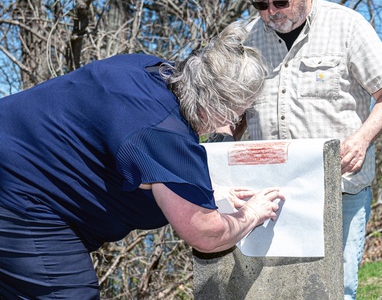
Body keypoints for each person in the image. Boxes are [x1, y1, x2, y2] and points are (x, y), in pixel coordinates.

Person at [0, 22, 284, 299]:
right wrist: (252, 214)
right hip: (18, 196)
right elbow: (206, 235)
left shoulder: (149, 69)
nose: (235, 121)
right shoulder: (164, 136)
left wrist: (207, 193)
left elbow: (126, 147)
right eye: (239, 111)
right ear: (221, 105)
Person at [231, 0, 382, 300]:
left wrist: (361, 139)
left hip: (339, 187)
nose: (271, 13)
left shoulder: (347, 26)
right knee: (277, 292)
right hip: (272, 193)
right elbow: (234, 114)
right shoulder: (246, 39)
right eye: (261, 5)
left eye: (280, 1)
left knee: (334, 289)